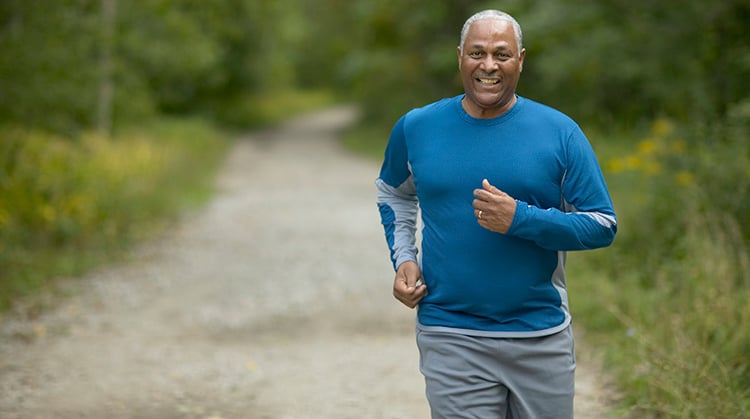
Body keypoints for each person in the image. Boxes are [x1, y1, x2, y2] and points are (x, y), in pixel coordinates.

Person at [375, 9, 617, 419]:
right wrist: (405, 259)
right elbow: (393, 193)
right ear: (460, 57)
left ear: (521, 59)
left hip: (538, 334)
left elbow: (601, 225)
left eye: (502, 55)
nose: (488, 66)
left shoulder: (560, 132)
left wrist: (521, 219)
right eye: (477, 53)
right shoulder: (416, 127)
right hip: (450, 331)